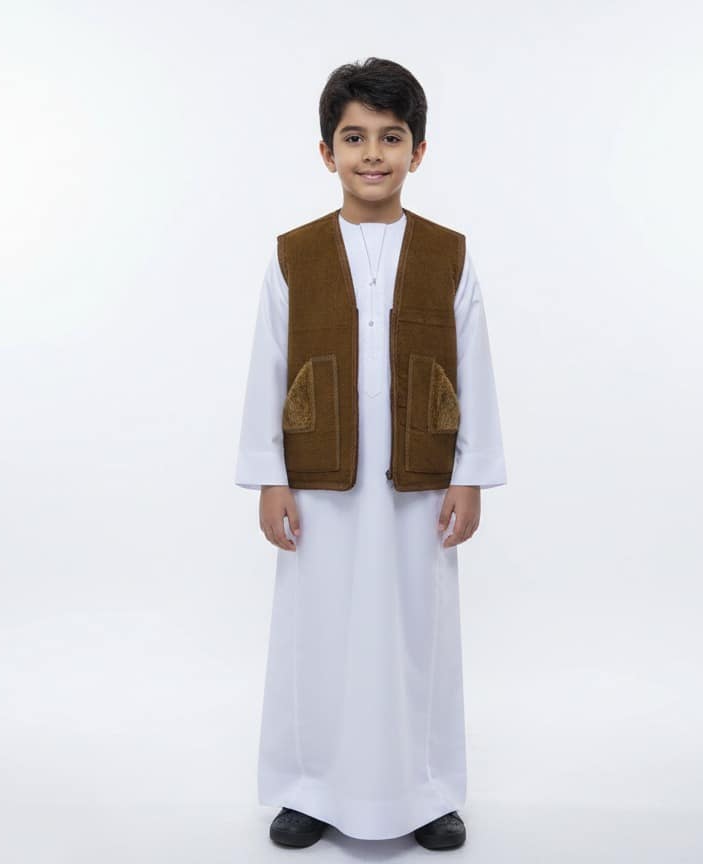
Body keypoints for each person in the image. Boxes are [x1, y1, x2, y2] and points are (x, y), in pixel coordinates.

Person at [233, 57, 507, 851]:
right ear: (327, 152)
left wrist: (470, 475)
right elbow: (269, 365)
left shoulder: (449, 254)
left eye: (391, 137)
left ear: (418, 150)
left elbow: (475, 365)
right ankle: (310, 788)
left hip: (420, 486)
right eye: (354, 138)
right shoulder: (295, 254)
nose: (373, 154)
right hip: (319, 487)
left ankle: (426, 793)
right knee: (317, 634)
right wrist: (270, 477)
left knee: (419, 635)